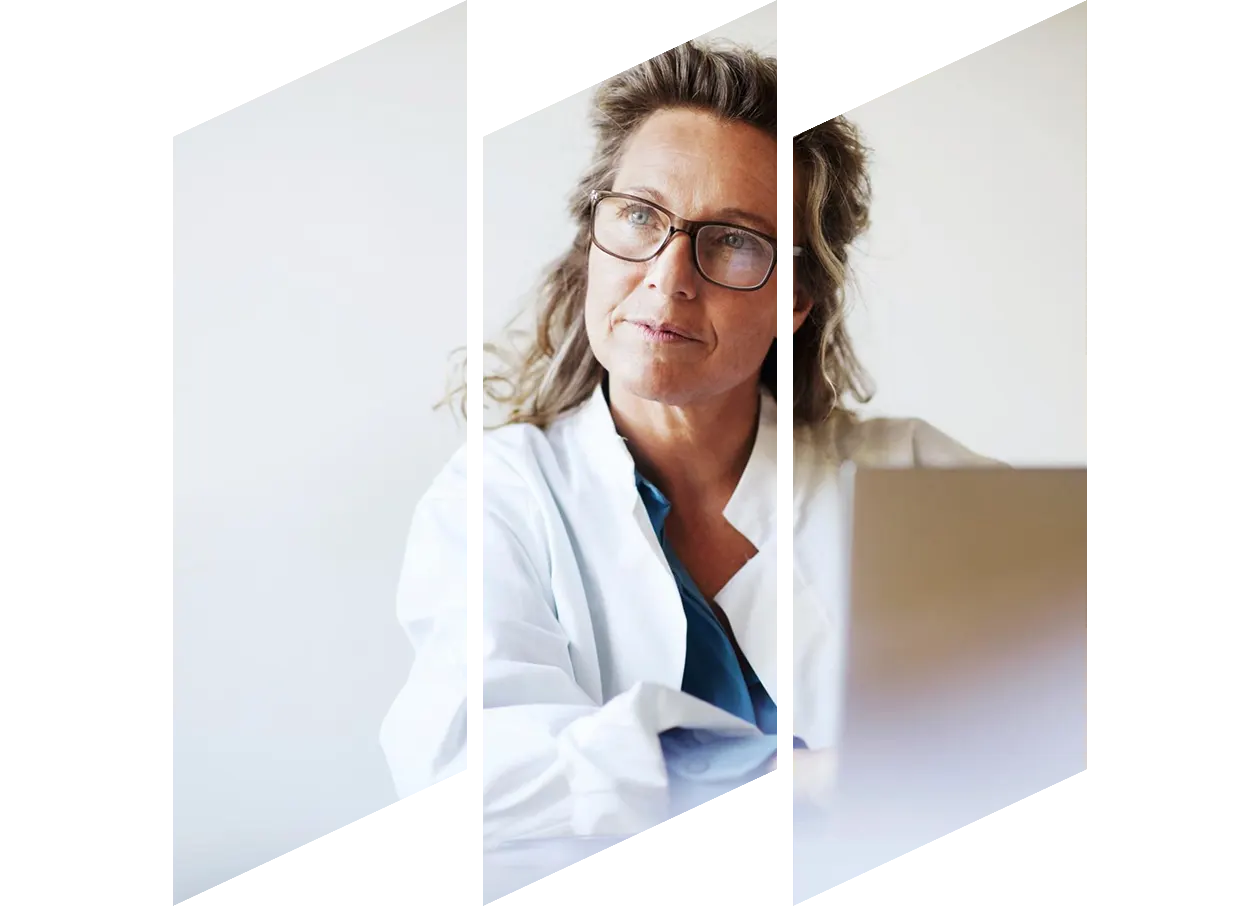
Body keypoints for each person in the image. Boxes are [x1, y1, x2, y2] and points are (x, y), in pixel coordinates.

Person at [380, 39, 998, 847]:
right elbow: (462, 765)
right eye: (640, 215)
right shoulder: (502, 497)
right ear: (591, 240)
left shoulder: (911, 480)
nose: (670, 276)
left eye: (734, 240)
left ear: (795, 304)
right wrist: (799, 776)